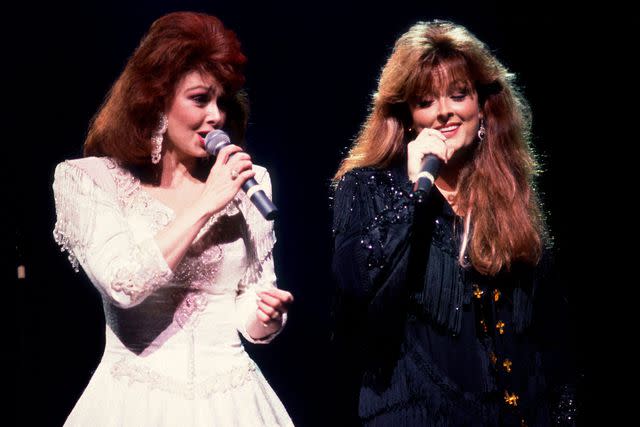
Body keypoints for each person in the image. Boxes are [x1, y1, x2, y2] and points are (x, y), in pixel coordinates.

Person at [52, 12, 294, 426]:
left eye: (222, 101)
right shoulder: (90, 181)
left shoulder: (250, 183)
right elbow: (123, 284)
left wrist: (267, 316)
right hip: (134, 400)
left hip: (231, 401)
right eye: (200, 99)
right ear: (156, 100)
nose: (216, 116)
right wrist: (206, 204)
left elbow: (248, 306)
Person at [331, 20, 577, 426]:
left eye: (458, 95)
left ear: (481, 105)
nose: (444, 111)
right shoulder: (367, 187)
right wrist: (411, 195)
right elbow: (354, 297)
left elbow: (549, 332)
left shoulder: (511, 191)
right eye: (425, 101)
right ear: (408, 116)